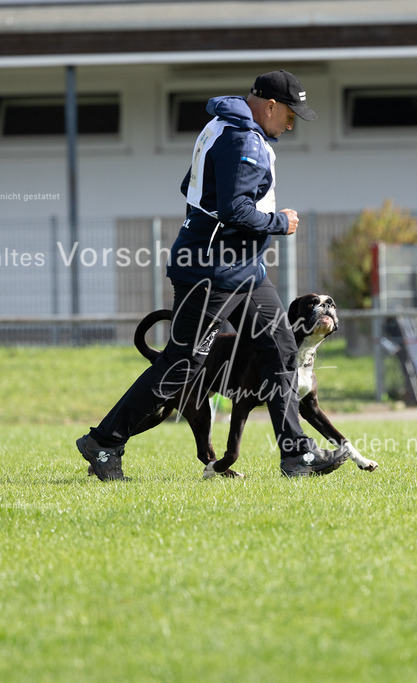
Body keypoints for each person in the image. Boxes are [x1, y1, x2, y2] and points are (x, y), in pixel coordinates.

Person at [76, 70, 349, 479]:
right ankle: (104, 442)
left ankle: (296, 455)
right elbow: (233, 209)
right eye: (290, 115)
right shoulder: (244, 140)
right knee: (182, 364)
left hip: (244, 270)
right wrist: (279, 222)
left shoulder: (220, 126)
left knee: (280, 348)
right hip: (212, 271)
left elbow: (191, 188)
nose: (291, 125)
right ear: (270, 106)